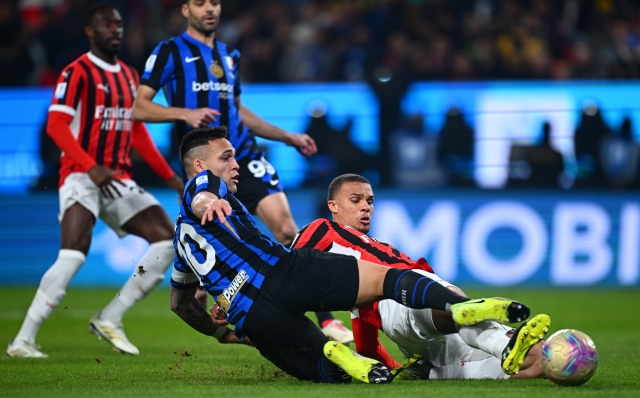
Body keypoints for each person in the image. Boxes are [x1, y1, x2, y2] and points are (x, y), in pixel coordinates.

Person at [169, 126, 531, 384]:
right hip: (281, 271)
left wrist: (221, 332)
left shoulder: (180, 243)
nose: (236, 165)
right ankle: (455, 306)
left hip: (249, 315)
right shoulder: (203, 188)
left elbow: (180, 304)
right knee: (386, 278)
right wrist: (209, 201)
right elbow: (203, 193)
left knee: (323, 372)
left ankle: (337, 356)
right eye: (228, 157)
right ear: (199, 166)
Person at [132, 0, 350, 343]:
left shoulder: (229, 55)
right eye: (201, 3)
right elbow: (139, 106)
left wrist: (286, 135)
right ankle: (235, 324)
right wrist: (183, 114)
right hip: (206, 168)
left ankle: (326, 320)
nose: (210, 9)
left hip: (244, 155)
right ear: (185, 9)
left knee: (287, 228)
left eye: (215, 2)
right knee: (213, 248)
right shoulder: (169, 52)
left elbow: (235, 110)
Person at [6, 5, 184, 358]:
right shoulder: (76, 72)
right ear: (90, 31)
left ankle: (111, 317)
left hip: (117, 179)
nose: (115, 30)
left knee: (168, 242)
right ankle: (22, 341)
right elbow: (56, 126)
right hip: (81, 177)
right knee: (72, 256)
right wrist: (90, 167)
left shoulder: (131, 76)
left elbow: (136, 132)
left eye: (119, 24)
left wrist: (170, 177)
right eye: (107, 24)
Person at [290, 174, 550, 379]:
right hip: (401, 299)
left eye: (370, 201)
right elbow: (287, 268)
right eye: (356, 200)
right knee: (455, 304)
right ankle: (496, 340)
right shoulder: (321, 230)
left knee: (537, 361)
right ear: (332, 205)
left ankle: (434, 373)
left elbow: (365, 340)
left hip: (410, 329)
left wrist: (393, 368)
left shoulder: (366, 260)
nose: (365, 207)